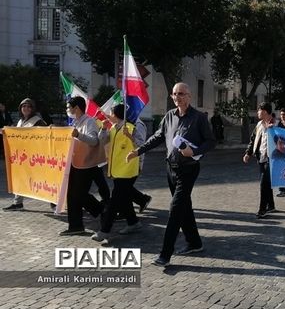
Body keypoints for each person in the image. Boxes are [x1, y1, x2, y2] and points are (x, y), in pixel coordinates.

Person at [126, 82, 216, 267]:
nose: (177, 97)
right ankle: (194, 242)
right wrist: (138, 151)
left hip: (189, 168)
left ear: (189, 96)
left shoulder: (198, 118)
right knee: (184, 207)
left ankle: (165, 254)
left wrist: (195, 150)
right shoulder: (169, 116)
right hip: (171, 169)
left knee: (175, 209)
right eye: (174, 94)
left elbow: (211, 142)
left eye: (181, 93)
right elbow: (158, 137)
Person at [92, 104, 144, 241]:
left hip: (128, 170)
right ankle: (133, 222)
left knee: (114, 201)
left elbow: (141, 145)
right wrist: (103, 129)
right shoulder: (113, 128)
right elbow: (102, 140)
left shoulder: (131, 128)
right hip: (117, 169)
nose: (109, 115)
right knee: (125, 198)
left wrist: (130, 136)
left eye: (111, 113)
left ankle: (105, 230)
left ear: (116, 115)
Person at [61, 96, 105, 235]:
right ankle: (76, 225)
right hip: (75, 164)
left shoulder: (89, 122)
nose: (67, 110)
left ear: (77, 108)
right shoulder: (75, 122)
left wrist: (79, 135)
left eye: (69, 107)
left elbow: (94, 141)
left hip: (86, 166)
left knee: (78, 194)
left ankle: (101, 210)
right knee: (73, 195)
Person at [2, 98, 48, 211]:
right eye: (23, 106)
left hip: (36, 157)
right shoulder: (20, 121)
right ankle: (18, 203)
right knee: (20, 179)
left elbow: (45, 135)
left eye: (28, 106)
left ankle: (55, 201)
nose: (26, 108)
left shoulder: (38, 121)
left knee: (45, 180)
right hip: (23, 157)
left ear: (32, 109)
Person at [243, 102, 276, 219]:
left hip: (272, 159)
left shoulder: (276, 125)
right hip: (261, 157)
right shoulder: (259, 124)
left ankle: (262, 209)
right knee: (267, 183)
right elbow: (253, 139)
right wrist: (248, 153)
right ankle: (271, 205)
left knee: (264, 183)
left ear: (265, 112)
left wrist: (274, 132)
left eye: (259, 110)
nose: (257, 112)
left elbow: (284, 139)